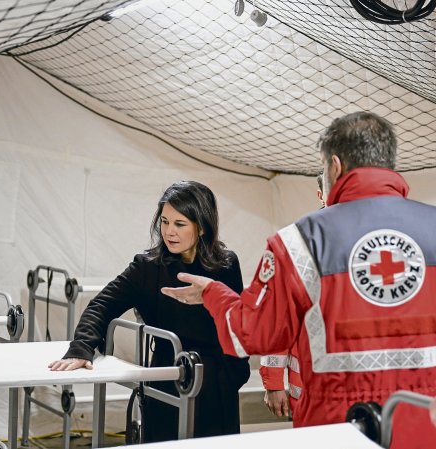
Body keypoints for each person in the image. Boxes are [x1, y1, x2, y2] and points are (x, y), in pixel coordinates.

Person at [161, 112, 436, 448]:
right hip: (427, 422)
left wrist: (213, 293)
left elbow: (251, 333)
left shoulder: (300, 243)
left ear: (334, 167)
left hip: (339, 426)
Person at [49, 180, 250, 442]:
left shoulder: (226, 264)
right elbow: (102, 304)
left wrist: (236, 374)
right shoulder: (147, 267)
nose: (169, 232)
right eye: (165, 222)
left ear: (201, 227)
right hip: (167, 377)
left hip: (216, 383)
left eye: (179, 224)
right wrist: (81, 347)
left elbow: (238, 320)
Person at [260, 174, 326, 419]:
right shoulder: (298, 242)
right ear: (321, 194)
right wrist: (274, 383)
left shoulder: (374, 239)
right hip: (309, 389)